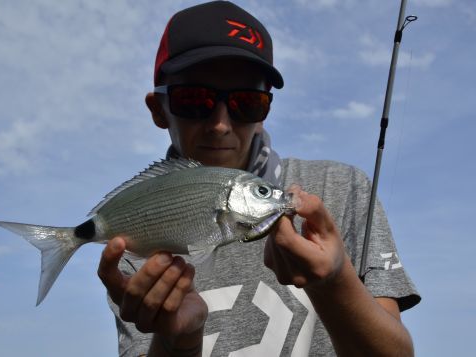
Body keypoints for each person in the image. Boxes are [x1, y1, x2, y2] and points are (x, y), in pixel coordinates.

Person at [97, 1, 421, 356]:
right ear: (159, 110)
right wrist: (179, 340)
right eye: (194, 100)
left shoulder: (341, 189)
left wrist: (334, 282)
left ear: (265, 111)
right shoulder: (137, 231)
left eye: (247, 102)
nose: (220, 125)